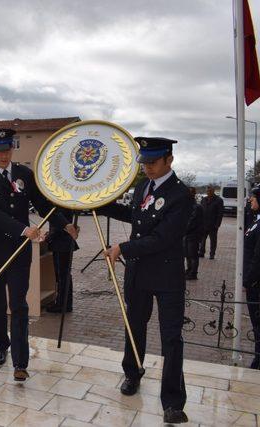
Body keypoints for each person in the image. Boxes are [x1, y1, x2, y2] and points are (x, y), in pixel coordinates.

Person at [0, 128, 78, 382]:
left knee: (19, 304)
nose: (3, 154)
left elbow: (44, 205)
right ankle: (1, 345)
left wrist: (64, 224)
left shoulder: (23, 174)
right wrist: (23, 229)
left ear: (12, 149)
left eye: (7, 149)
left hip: (19, 251)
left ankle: (21, 362)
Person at [99, 136, 190, 424]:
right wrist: (102, 204)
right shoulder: (142, 188)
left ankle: (173, 402)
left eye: (153, 162)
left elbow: (162, 238)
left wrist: (122, 249)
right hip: (138, 272)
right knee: (134, 326)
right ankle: (132, 373)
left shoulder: (181, 196)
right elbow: (135, 216)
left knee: (171, 337)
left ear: (169, 160)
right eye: (145, 162)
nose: (147, 168)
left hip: (166, 275)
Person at [45, 208, 78, 313]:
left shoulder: (60, 206)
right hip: (63, 244)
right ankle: (65, 303)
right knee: (65, 275)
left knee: (62, 276)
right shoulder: (64, 205)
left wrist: (48, 238)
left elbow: (59, 227)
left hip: (61, 244)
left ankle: (62, 304)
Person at [243, 187, 260, 369]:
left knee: (258, 323)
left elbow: (257, 257)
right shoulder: (256, 220)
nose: (250, 201)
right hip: (253, 281)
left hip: (256, 283)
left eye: (254, 198)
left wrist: (249, 280)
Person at [199, 185, 224, 260]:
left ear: (213, 191)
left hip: (213, 225)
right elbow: (200, 211)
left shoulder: (219, 200)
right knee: (202, 240)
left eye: (210, 191)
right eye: (207, 191)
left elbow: (220, 213)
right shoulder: (204, 199)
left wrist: (217, 224)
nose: (208, 192)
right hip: (203, 224)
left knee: (213, 241)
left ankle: (212, 254)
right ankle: (201, 252)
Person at [184, 187, 204, 280]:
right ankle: (189, 270)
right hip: (187, 234)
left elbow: (192, 222)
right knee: (187, 254)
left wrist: (183, 229)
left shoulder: (197, 207)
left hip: (194, 235)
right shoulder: (187, 205)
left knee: (193, 254)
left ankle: (193, 273)